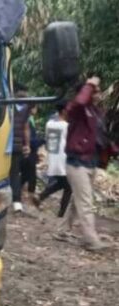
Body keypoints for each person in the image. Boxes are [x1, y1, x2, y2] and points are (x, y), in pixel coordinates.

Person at [56, 76, 110, 251]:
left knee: (77, 200)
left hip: (90, 162)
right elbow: (79, 102)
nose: (99, 93)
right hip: (77, 163)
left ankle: (62, 231)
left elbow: (100, 137)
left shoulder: (96, 112)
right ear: (87, 92)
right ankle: (90, 240)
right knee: (85, 201)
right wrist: (89, 84)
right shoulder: (77, 110)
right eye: (96, 90)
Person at [34, 102, 71, 217]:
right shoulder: (66, 126)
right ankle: (61, 213)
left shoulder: (49, 124)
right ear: (64, 111)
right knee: (68, 187)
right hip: (64, 159)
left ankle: (41, 196)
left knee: (62, 183)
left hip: (53, 157)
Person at [10, 84, 31, 213]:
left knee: (13, 173)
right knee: (14, 174)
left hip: (13, 145)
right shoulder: (11, 106)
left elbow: (26, 128)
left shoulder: (10, 106)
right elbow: (26, 128)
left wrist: (27, 145)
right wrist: (26, 145)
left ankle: (15, 200)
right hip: (10, 145)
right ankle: (16, 202)